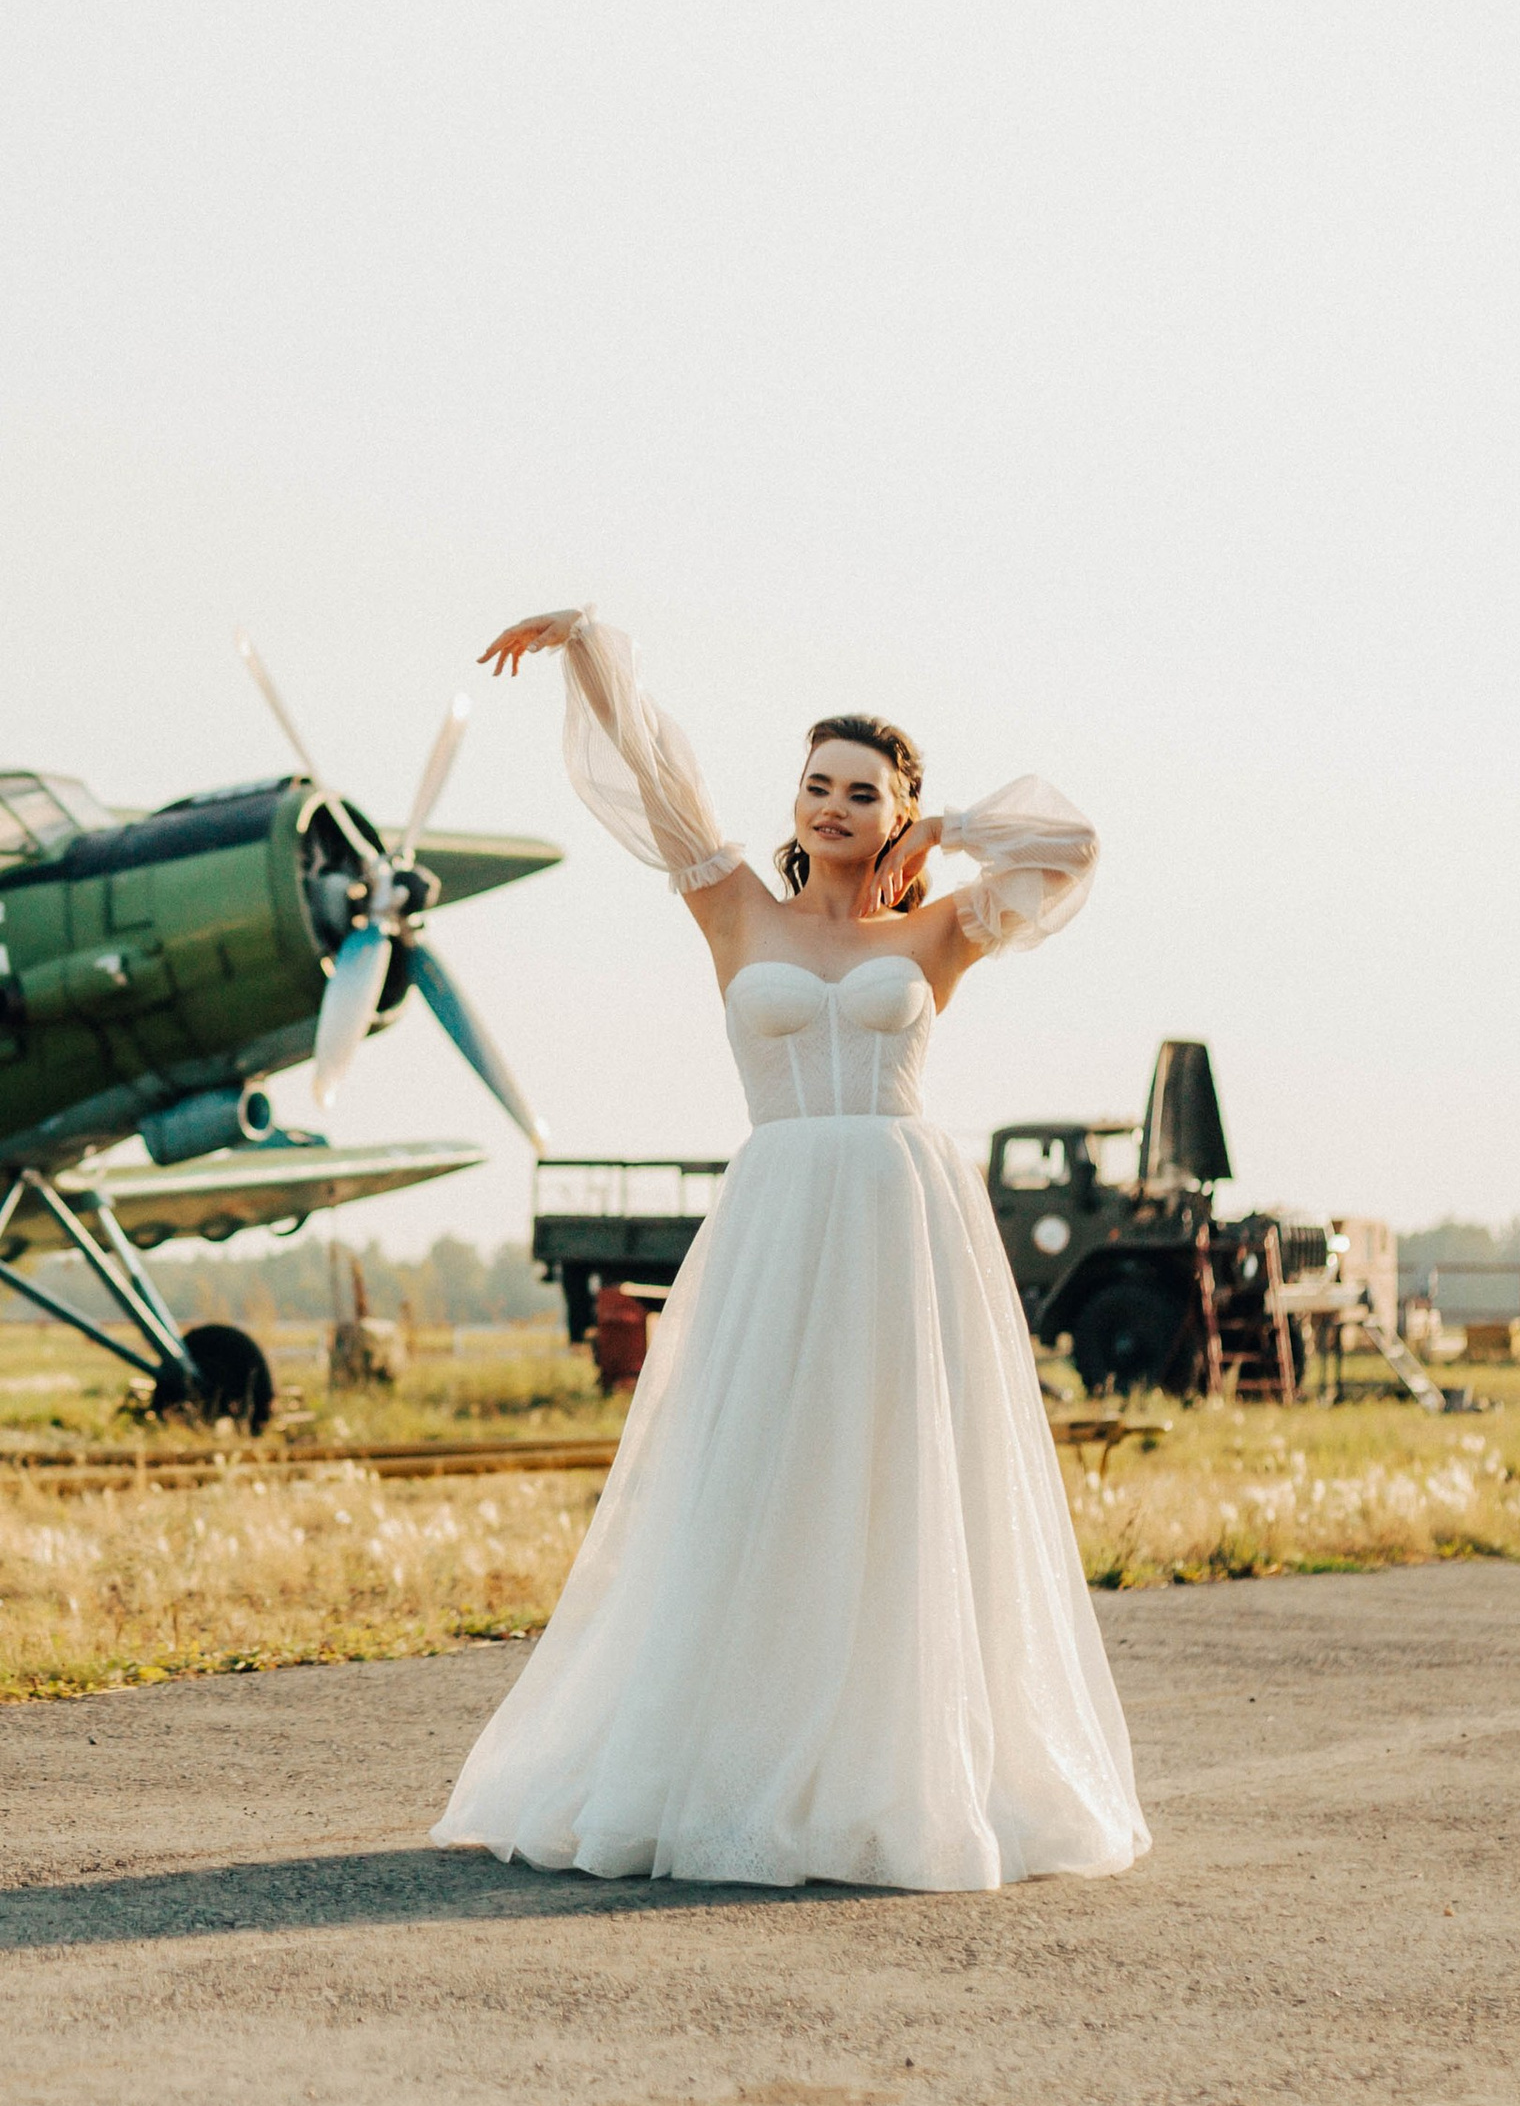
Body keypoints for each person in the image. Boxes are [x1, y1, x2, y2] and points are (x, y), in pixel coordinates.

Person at [432, 604, 1148, 1893]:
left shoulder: (941, 932)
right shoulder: (733, 910)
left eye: (861, 792)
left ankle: (893, 1767)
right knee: (759, 1472)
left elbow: (1077, 846)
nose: (830, 804)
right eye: (815, 784)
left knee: (901, 1476)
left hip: (902, 1217)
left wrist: (954, 833)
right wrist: (592, 646)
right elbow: (655, 771)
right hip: (779, 1220)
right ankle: (738, 1750)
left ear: (896, 811)